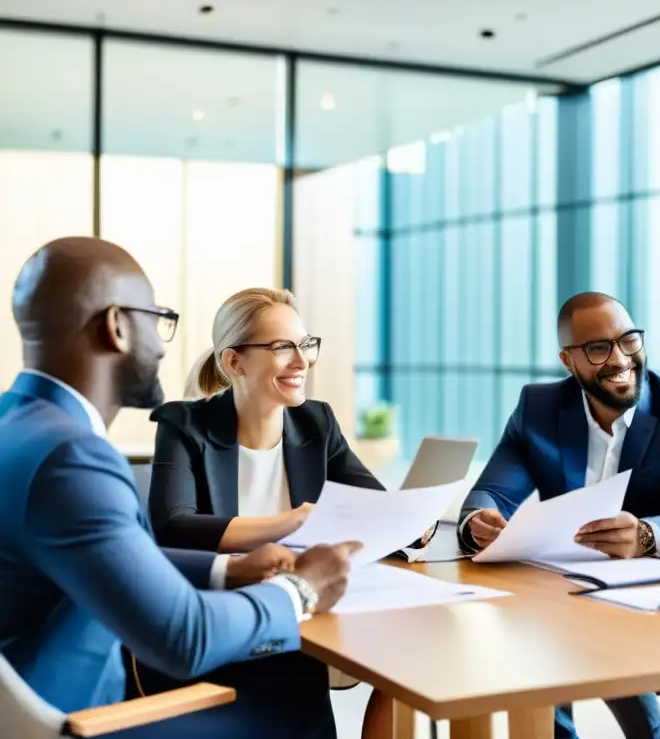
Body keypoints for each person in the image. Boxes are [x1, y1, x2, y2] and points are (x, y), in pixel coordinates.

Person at [0, 237, 359, 737]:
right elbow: (186, 637)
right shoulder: (73, 457)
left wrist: (226, 568)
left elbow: (111, 555)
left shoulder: (16, 424)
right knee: (295, 699)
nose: (163, 343)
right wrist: (301, 589)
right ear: (118, 327)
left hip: (29, 703)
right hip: (79, 720)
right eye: (158, 318)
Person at [145, 287, 423, 739]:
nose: (302, 361)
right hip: (227, 625)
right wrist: (292, 521)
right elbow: (174, 526)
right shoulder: (184, 424)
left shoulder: (317, 422)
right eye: (281, 347)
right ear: (234, 362)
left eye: (305, 344)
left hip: (306, 614)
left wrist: (415, 520)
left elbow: (371, 505)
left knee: (408, 665)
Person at [459, 292, 660, 739]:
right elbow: (489, 493)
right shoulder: (537, 409)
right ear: (568, 360)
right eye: (599, 348)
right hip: (562, 597)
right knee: (534, 640)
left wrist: (645, 534)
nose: (621, 359)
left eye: (629, 340)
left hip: (651, 600)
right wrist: (478, 522)